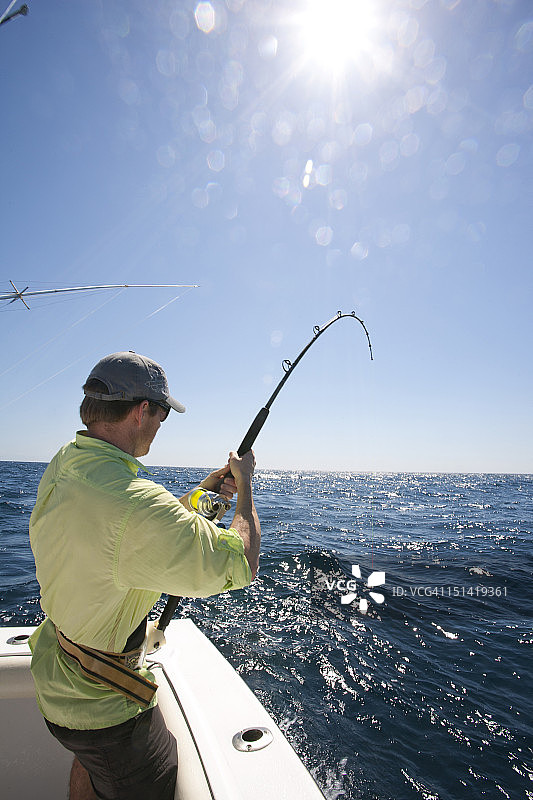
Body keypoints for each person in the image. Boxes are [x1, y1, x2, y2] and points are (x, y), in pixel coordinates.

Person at [28, 351, 260, 800]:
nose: (159, 426)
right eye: (161, 416)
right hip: (105, 709)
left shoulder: (69, 461)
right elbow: (240, 563)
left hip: (58, 674)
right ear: (141, 411)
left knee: (94, 771)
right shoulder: (136, 503)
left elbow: (122, 532)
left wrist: (204, 495)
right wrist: (245, 485)